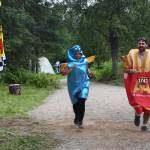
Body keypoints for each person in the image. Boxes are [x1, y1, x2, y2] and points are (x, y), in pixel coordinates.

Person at [61, 45, 93, 128]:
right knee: (76, 103)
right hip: (73, 85)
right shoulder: (69, 64)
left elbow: (87, 71)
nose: (77, 55)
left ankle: (80, 120)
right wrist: (71, 69)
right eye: (75, 54)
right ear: (72, 55)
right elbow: (63, 73)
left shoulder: (85, 61)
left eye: (79, 54)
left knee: (82, 100)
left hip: (84, 83)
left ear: (81, 54)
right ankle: (76, 116)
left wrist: (90, 73)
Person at [124, 37, 150, 131]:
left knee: (148, 105)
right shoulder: (131, 54)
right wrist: (131, 70)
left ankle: (144, 124)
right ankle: (138, 114)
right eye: (139, 43)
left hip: (148, 84)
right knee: (136, 102)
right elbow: (125, 69)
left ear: (146, 45)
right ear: (137, 45)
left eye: (143, 43)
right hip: (135, 84)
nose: (141, 45)